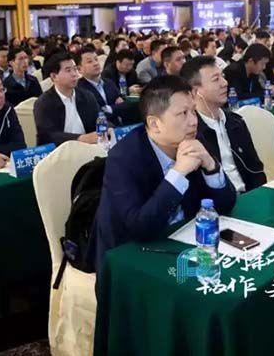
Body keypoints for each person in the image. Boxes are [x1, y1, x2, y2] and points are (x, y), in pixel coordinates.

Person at [90, 75, 237, 276]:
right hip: (130, 259)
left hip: (183, 242)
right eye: (183, 113)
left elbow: (226, 204)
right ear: (154, 124)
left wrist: (211, 166)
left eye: (193, 111)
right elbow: (140, 228)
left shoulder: (193, 139)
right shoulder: (122, 159)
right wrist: (178, 173)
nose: (193, 121)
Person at [183, 56, 265, 193]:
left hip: (248, 194)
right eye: (216, 79)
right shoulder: (191, 131)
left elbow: (255, 168)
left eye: (223, 76)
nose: (225, 83)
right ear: (195, 91)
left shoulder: (235, 122)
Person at [33, 52, 101, 146]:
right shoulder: (43, 103)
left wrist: (108, 127)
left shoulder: (87, 96)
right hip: (59, 151)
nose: (74, 74)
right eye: (68, 70)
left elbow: (99, 119)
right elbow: (48, 135)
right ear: (54, 76)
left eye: (75, 69)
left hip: (89, 148)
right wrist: (79, 138)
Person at [75, 48, 128, 125]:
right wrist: (115, 108)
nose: (96, 63)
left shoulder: (109, 82)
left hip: (120, 125)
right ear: (79, 69)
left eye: (96, 59)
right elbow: (95, 115)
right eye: (89, 61)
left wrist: (108, 108)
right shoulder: (79, 89)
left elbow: (124, 105)